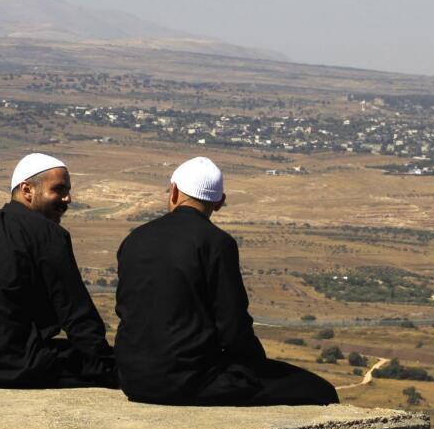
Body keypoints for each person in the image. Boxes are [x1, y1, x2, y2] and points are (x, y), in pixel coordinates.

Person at [114, 157, 338, 406]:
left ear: (174, 191)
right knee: (319, 390)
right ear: (219, 202)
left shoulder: (135, 238)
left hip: (132, 378)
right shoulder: (217, 243)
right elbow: (232, 324)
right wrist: (255, 367)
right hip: (189, 382)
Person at [0, 152, 116, 388]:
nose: (68, 199)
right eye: (59, 190)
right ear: (27, 190)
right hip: (15, 367)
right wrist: (108, 365)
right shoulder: (47, 234)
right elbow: (76, 314)